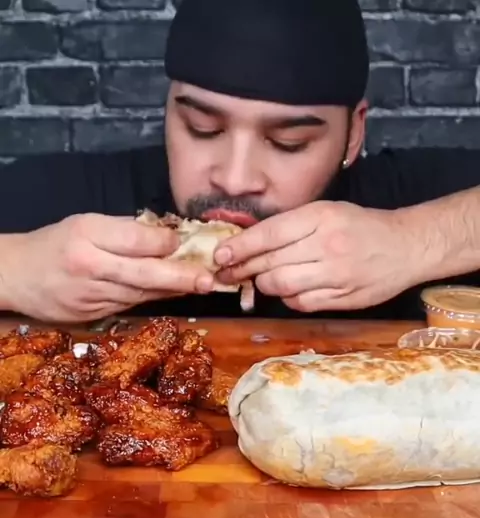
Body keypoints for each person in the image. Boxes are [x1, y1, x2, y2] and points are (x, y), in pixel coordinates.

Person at [1, 0, 479, 324]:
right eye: (202, 128)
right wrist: (16, 269)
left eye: (289, 142)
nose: (234, 179)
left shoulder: (401, 198)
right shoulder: (75, 200)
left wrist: (418, 240)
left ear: (353, 135)